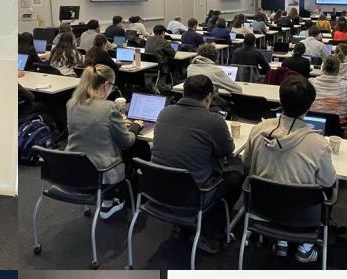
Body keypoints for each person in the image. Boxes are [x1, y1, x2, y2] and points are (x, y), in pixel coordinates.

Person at [243, 75, 336, 262]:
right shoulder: (318, 143)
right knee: (329, 190)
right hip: (303, 214)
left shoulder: (259, 129)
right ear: (310, 106)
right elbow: (328, 181)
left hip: (262, 207)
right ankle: (305, 247)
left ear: (280, 101)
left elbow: (247, 163)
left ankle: (281, 241)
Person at [153, 75, 243, 252]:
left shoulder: (164, 112)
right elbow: (226, 151)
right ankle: (207, 233)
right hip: (193, 195)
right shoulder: (214, 121)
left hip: (157, 190)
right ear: (209, 96)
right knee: (236, 176)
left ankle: (179, 226)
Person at [65, 65, 140, 219]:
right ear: (106, 85)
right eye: (112, 87)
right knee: (137, 148)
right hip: (101, 172)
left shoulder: (72, 104)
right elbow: (126, 141)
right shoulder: (110, 107)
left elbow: (87, 129)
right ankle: (109, 202)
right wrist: (135, 127)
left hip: (73, 168)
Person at [309, 55, 347, 124]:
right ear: (338, 69)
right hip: (338, 128)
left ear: (323, 68)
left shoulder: (310, 83)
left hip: (311, 124)